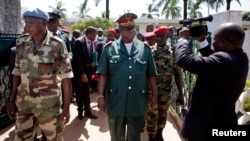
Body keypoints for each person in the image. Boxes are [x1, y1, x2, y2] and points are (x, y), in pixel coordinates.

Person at [7, 8, 73, 141]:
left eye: (31, 22)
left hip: (49, 107)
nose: (27, 26)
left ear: (43, 24)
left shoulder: (57, 45)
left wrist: (66, 108)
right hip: (24, 104)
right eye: (25, 22)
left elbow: (66, 77)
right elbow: (17, 72)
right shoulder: (21, 42)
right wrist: (12, 99)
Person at [175, 23, 249, 141]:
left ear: (224, 42)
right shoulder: (241, 58)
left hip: (205, 128)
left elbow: (184, 60)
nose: (213, 43)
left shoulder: (223, 61)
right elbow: (214, 60)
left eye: (215, 40)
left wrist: (183, 40)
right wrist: (202, 40)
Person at [96, 12, 158, 141]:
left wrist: (155, 93)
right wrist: (101, 96)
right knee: (116, 136)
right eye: (128, 28)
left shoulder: (145, 49)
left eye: (133, 27)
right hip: (115, 101)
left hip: (137, 101)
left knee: (135, 137)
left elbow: (151, 74)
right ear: (120, 30)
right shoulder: (109, 49)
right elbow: (103, 74)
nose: (132, 30)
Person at [146, 26, 184, 141]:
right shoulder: (149, 52)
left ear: (167, 36)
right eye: (157, 36)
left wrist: (181, 93)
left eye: (161, 36)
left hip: (165, 91)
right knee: (151, 114)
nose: (158, 39)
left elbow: (177, 74)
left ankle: (159, 133)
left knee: (163, 114)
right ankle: (151, 136)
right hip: (151, 91)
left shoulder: (173, 53)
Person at [72, 26, 98, 120]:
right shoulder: (79, 42)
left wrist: (91, 63)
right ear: (90, 33)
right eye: (94, 34)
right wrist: (82, 73)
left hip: (87, 71)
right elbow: (77, 60)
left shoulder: (91, 42)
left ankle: (88, 111)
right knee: (79, 92)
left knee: (86, 92)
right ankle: (80, 111)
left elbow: (89, 55)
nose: (96, 36)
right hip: (80, 73)